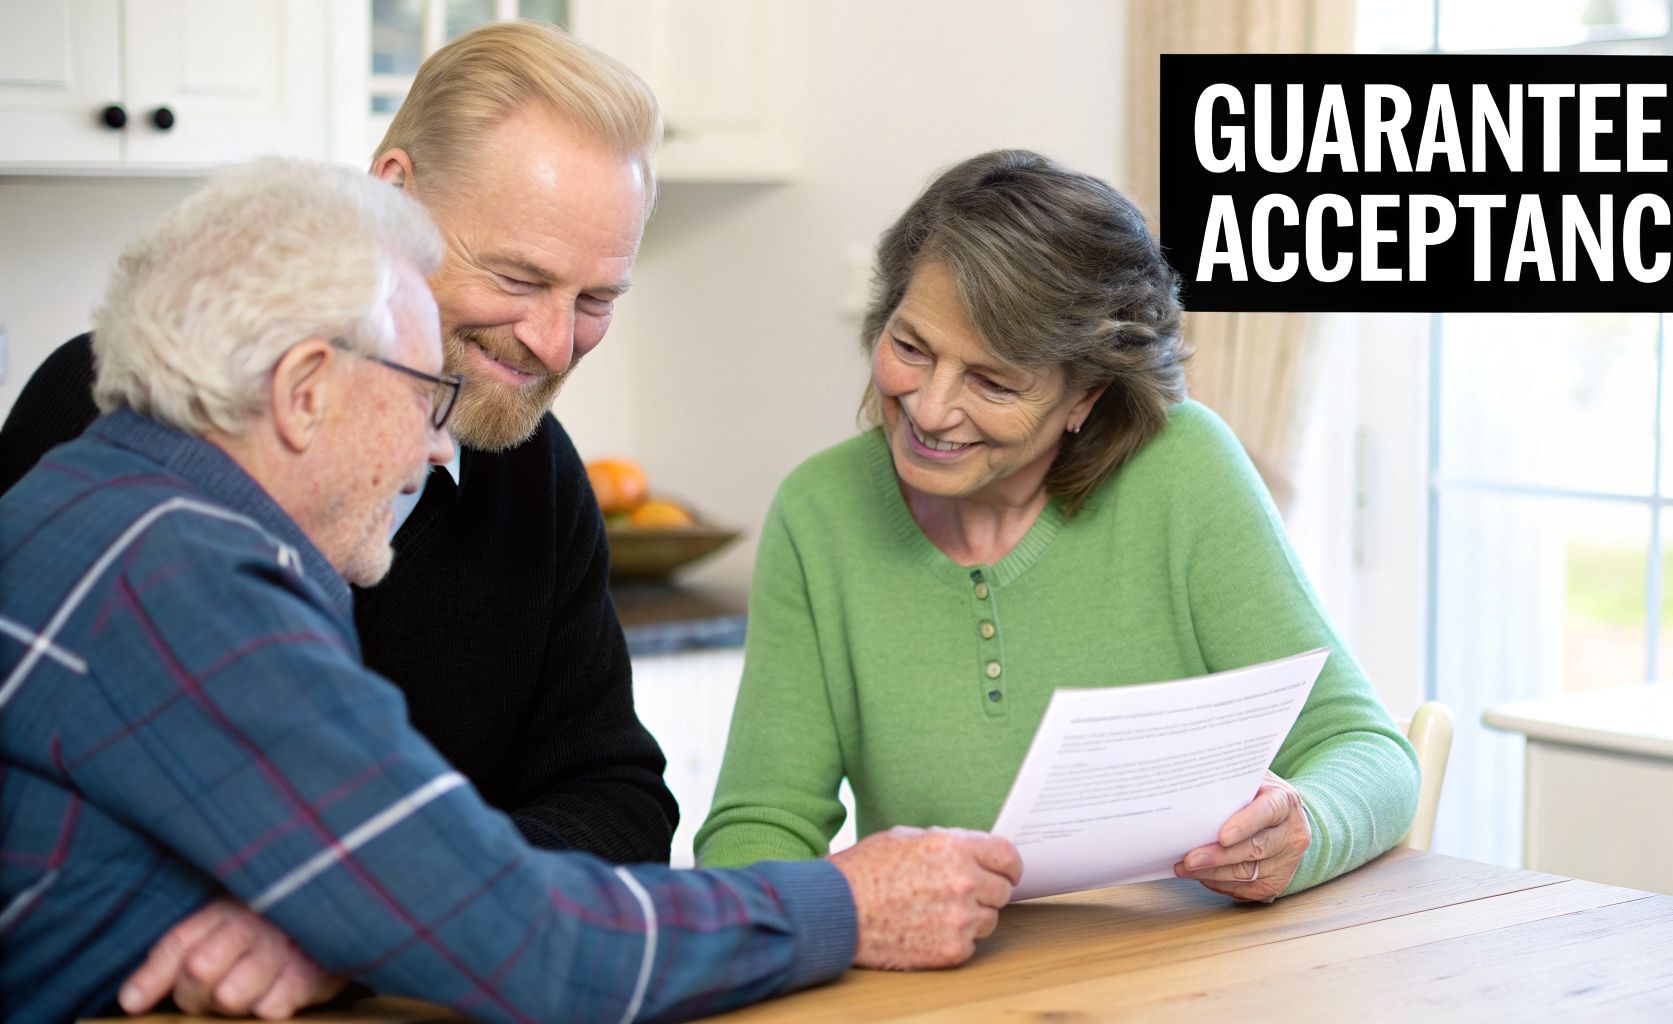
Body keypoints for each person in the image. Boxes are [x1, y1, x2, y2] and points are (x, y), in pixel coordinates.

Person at [0, 159, 1020, 1024]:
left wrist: (360, 920)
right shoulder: (191, 578)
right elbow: (529, 942)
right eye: (420, 395)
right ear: (305, 391)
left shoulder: (89, 497)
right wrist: (846, 904)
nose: (438, 444)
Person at [0, 22, 676, 1014]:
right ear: (393, 188)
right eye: (519, 279)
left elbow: (622, 804)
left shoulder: (533, 476)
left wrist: (374, 925)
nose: (553, 341)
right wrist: (398, 908)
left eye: (596, 299)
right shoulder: (117, 405)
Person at [693, 150, 1420, 902]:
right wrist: (814, 915)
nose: (931, 408)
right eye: (912, 347)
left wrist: (1306, 828)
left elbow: (1367, 752)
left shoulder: (1183, 471)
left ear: (1086, 397)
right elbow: (759, 825)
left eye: (994, 381)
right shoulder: (822, 511)